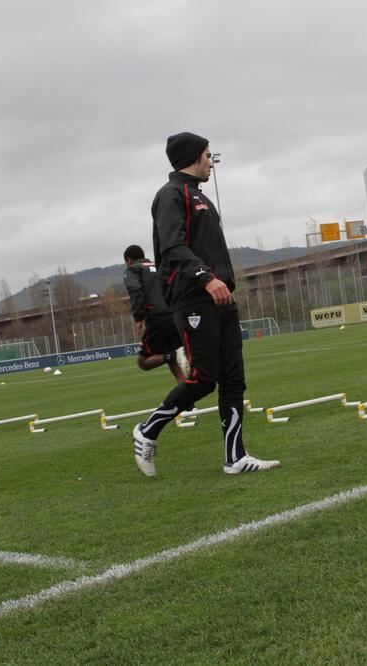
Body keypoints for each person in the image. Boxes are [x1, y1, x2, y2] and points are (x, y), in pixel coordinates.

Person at [131, 132, 279, 477]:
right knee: (203, 379)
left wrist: (222, 283)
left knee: (233, 379)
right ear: (193, 157)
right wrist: (206, 277)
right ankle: (147, 430)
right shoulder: (170, 195)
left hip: (220, 297)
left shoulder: (201, 198)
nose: (212, 162)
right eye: (208, 155)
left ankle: (235, 457)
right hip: (194, 296)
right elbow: (171, 247)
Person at [123, 245, 188, 383]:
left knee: (143, 361)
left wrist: (138, 315)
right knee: (174, 365)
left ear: (128, 260)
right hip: (176, 314)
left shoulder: (133, 269)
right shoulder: (160, 265)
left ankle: (171, 355)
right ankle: (187, 402)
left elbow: (135, 290)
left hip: (158, 319)